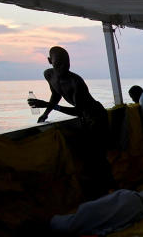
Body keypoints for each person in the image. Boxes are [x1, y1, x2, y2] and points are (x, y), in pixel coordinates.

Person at [27, 46, 115, 198]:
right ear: (49, 62)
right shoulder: (49, 75)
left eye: (66, 64)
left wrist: (49, 106)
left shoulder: (76, 81)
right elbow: (56, 94)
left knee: (98, 155)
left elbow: (77, 111)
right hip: (84, 119)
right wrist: (46, 114)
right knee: (90, 155)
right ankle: (101, 189)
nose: (63, 67)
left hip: (96, 115)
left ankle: (110, 189)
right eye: (58, 64)